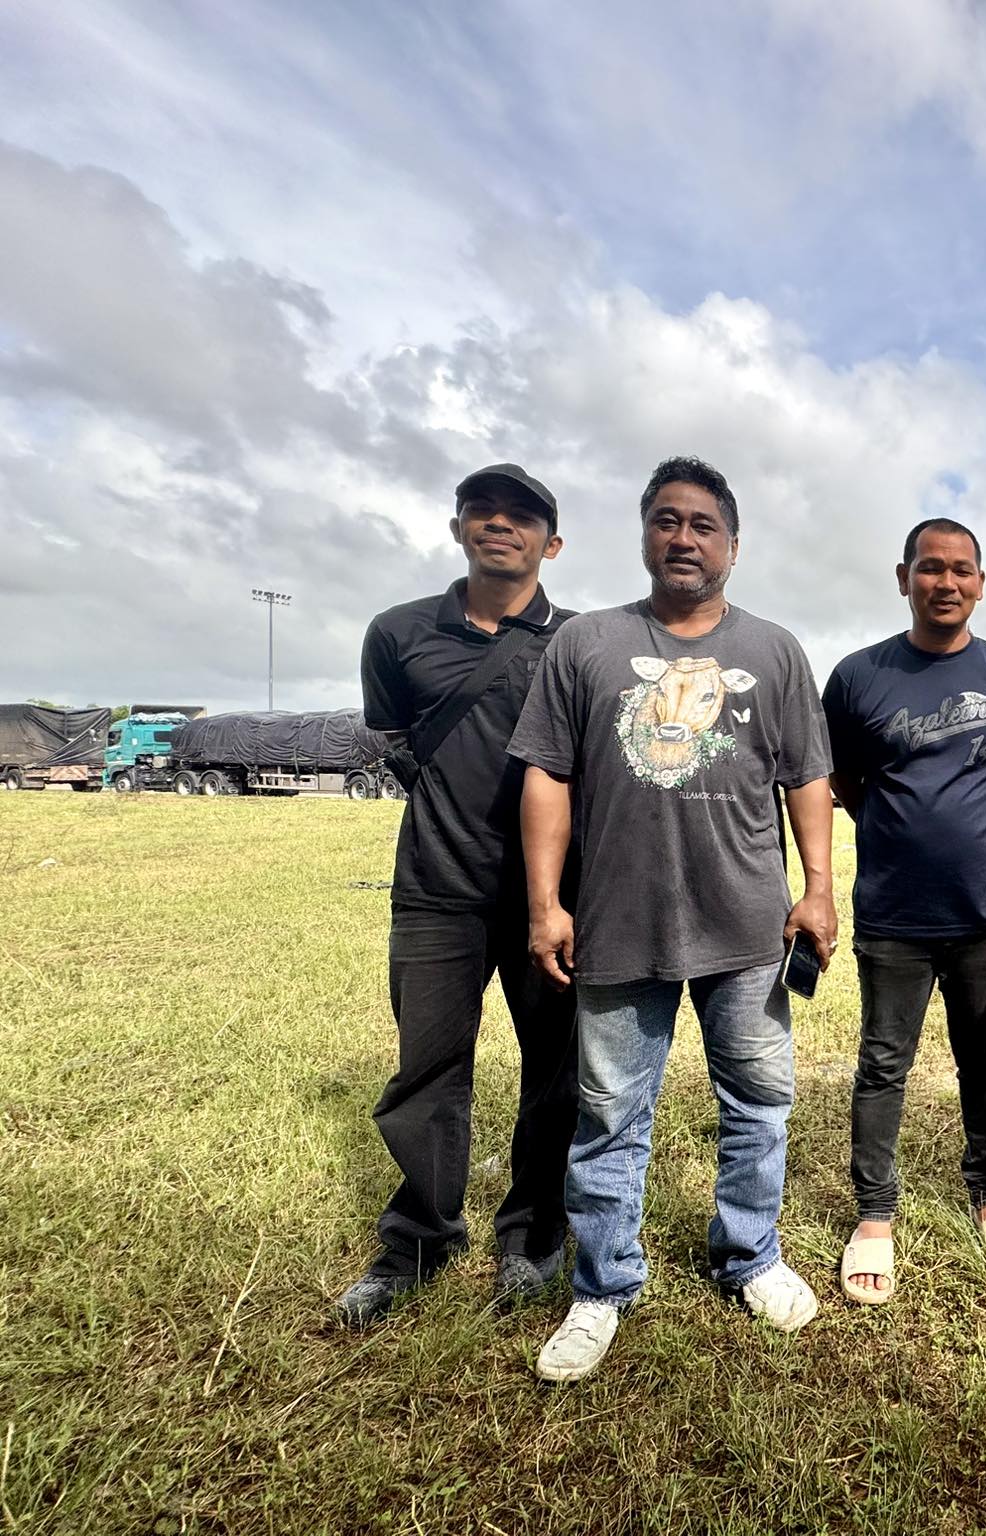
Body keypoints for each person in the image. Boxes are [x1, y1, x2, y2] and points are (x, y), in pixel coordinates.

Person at [509, 455, 837, 1382]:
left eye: (702, 524)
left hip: (748, 928)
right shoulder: (587, 644)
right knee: (611, 1115)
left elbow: (807, 777)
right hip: (619, 924)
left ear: (733, 544)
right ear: (645, 534)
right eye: (666, 520)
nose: (684, 538)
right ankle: (602, 1285)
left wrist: (818, 886)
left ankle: (751, 1256)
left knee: (759, 1104)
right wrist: (545, 903)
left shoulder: (774, 651)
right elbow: (547, 774)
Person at [337, 463, 579, 1328]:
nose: (500, 524)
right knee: (427, 1070)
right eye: (483, 511)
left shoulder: (580, 643)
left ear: (552, 544)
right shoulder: (397, 633)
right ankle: (418, 1240)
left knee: (558, 1071)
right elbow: (397, 740)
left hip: (554, 898)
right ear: (458, 529)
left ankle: (534, 1232)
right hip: (437, 890)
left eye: (522, 516)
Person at [822, 518, 986, 1304]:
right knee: (882, 1062)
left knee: (982, 1058)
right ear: (904, 578)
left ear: (980, 583)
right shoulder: (858, 677)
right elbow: (844, 781)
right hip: (892, 913)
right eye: (929, 568)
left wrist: (970, 829)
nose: (945, 582)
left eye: (961, 569)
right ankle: (874, 1214)